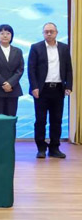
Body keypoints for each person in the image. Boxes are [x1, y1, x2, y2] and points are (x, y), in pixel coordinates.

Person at [28, 22, 73, 159]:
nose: (49, 34)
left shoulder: (64, 48)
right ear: (43, 33)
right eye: (46, 31)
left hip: (58, 89)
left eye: (51, 31)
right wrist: (34, 87)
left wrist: (69, 86)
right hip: (41, 90)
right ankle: (41, 148)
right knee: (40, 120)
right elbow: (31, 69)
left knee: (56, 120)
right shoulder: (36, 47)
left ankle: (54, 148)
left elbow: (69, 68)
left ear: (56, 33)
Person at [0, 24, 24, 116]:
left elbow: (20, 69)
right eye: (2, 33)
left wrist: (10, 83)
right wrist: (3, 83)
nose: (5, 36)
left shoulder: (18, 51)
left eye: (8, 33)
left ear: (12, 35)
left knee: (10, 119)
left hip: (12, 90)